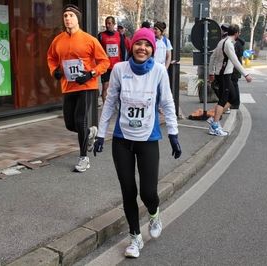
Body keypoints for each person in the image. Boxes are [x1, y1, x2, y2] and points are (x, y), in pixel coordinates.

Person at [93, 28, 182, 258]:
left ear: (153, 49)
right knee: (128, 190)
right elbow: (110, 102)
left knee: (148, 193)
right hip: (122, 140)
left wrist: (173, 134)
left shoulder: (160, 71)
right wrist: (101, 134)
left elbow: (168, 103)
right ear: (131, 46)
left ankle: (154, 215)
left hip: (148, 139)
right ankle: (135, 237)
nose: (142, 48)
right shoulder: (120, 70)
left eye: (147, 44)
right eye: (138, 43)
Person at [47, 4, 110, 172]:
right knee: (70, 124)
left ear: (77, 19)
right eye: (65, 15)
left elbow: (105, 62)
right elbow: (51, 58)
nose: (67, 18)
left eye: (71, 16)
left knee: (80, 119)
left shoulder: (90, 40)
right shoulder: (58, 40)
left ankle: (84, 158)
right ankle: (89, 132)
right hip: (68, 87)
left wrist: (91, 74)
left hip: (87, 87)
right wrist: (54, 71)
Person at [208, 24, 252, 136]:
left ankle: (214, 118)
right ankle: (214, 125)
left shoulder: (222, 42)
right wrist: (246, 74)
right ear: (237, 33)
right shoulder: (228, 44)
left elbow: (213, 57)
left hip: (224, 74)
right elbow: (235, 60)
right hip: (224, 75)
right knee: (223, 100)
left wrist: (211, 72)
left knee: (233, 99)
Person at [98, 16, 127, 104]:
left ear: (114, 24)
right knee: (105, 86)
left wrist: (124, 64)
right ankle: (105, 107)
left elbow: (124, 50)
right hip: (105, 66)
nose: (107, 25)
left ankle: (119, 105)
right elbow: (97, 51)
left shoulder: (119, 35)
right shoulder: (101, 36)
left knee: (118, 86)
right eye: (106, 23)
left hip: (116, 66)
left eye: (109, 23)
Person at [230, 30, 245, 109]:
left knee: (234, 85)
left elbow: (237, 54)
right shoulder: (239, 42)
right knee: (234, 85)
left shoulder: (237, 43)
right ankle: (235, 102)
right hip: (236, 66)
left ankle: (236, 103)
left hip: (235, 67)